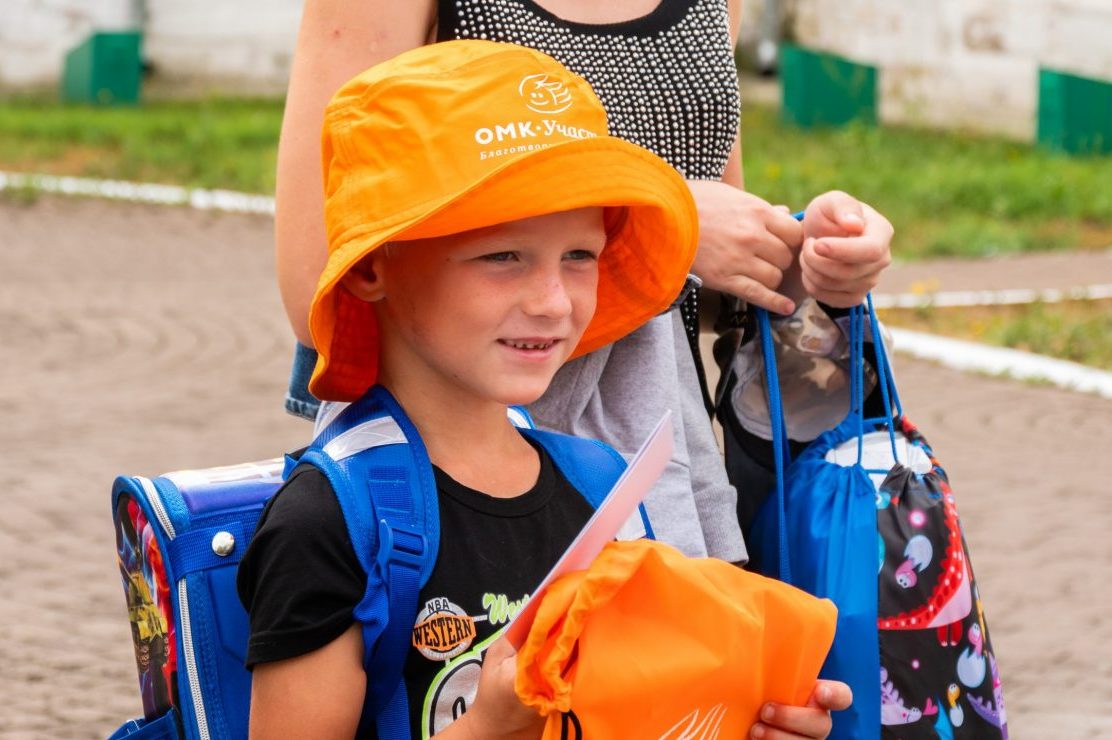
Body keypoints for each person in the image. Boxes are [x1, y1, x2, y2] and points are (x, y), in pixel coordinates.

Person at [240, 41, 848, 740]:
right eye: (503, 257)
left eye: (580, 256)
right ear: (375, 267)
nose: (555, 302)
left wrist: (734, 719)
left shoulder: (604, 487)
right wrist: (486, 730)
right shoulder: (330, 522)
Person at [273, 0, 894, 571]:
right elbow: (322, 280)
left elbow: (697, 287)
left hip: (652, 463)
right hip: (455, 476)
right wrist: (666, 224)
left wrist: (808, 265)